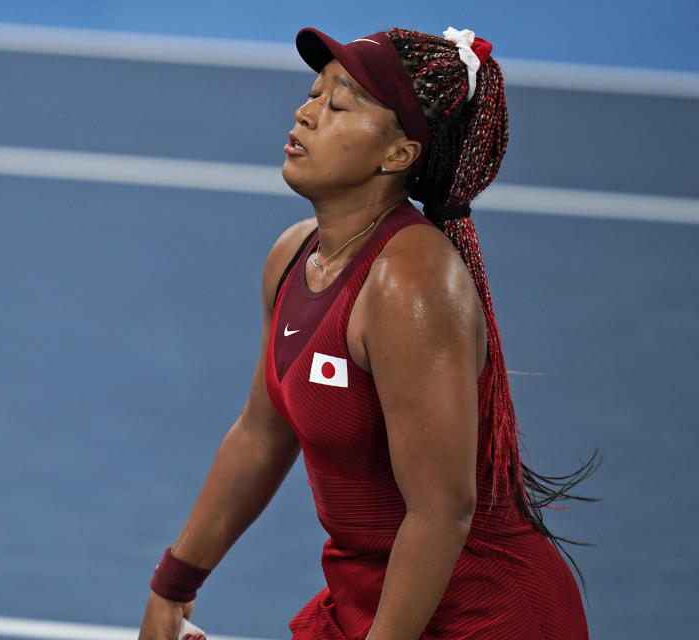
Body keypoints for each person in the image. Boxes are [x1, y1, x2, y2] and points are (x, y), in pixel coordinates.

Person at [138, 26, 595, 640]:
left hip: (480, 617)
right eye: (312, 94)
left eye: (338, 104)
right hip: (370, 600)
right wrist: (173, 586)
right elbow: (260, 432)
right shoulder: (293, 255)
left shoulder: (410, 282)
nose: (305, 112)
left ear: (398, 155)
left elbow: (441, 512)